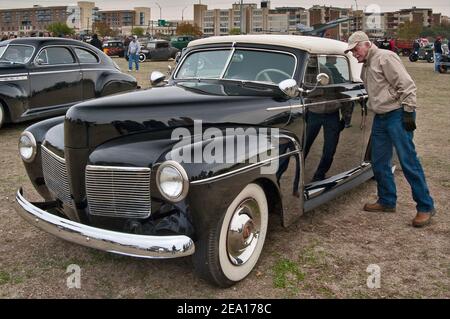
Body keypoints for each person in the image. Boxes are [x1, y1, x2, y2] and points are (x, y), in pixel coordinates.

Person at [345, 31, 435, 227]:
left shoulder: (386, 57)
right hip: (381, 118)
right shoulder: (366, 65)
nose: (354, 54)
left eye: (355, 49)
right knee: (378, 161)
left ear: (366, 44)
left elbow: (407, 85)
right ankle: (387, 201)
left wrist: (409, 112)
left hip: (397, 114)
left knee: (408, 161)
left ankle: (425, 207)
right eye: (351, 51)